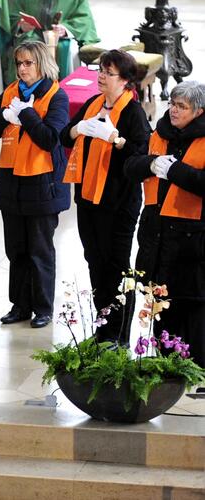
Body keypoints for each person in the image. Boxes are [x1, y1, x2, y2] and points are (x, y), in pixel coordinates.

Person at [0, 41, 69, 328]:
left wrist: (27, 114)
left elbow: (49, 138)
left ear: (42, 64)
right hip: (12, 183)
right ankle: (20, 305)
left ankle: (43, 308)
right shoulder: (10, 93)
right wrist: (4, 115)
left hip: (42, 184)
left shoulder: (56, 96)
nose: (22, 68)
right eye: (19, 63)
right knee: (16, 249)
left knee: (39, 250)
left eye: (28, 63)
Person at [61, 50, 149, 343]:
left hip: (119, 203)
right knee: (95, 262)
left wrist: (116, 139)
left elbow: (141, 157)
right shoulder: (92, 104)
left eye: (108, 73)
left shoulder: (133, 113)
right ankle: (103, 329)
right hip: (88, 199)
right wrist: (77, 129)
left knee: (117, 267)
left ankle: (120, 333)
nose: (100, 76)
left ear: (125, 81)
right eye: (100, 70)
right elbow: (63, 136)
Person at [125, 81, 205, 368]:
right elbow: (130, 166)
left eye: (181, 106)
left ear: (199, 111)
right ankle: (165, 363)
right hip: (156, 232)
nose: (173, 110)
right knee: (159, 298)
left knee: (192, 303)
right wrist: (150, 163)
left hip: (192, 237)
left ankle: (195, 366)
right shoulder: (159, 132)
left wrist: (176, 171)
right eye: (172, 103)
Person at [11, 0, 99, 78]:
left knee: (67, 49)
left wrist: (66, 29)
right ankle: (29, 91)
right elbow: (13, 16)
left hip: (63, 39)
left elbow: (84, 20)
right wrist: (21, 26)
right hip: (35, 36)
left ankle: (65, 88)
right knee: (26, 47)